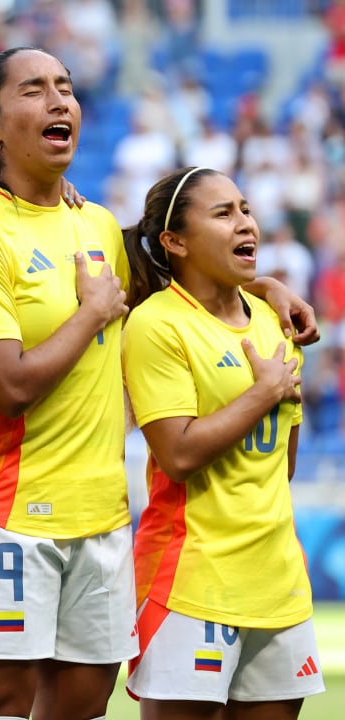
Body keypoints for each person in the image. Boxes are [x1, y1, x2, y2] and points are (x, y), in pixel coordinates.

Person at [0, 47, 317, 720]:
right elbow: (8, 387)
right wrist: (92, 313)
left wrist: (266, 288)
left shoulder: (96, 222)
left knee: (83, 709)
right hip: (2, 513)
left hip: (102, 518)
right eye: (34, 90)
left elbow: (185, 275)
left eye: (66, 88)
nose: (59, 102)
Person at [122, 166, 325, 718]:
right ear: (174, 242)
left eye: (245, 209)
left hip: (278, 579)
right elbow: (179, 455)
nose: (246, 224)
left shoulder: (276, 321)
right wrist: (262, 394)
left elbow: (281, 464)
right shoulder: (156, 324)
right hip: (191, 579)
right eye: (223, 213)